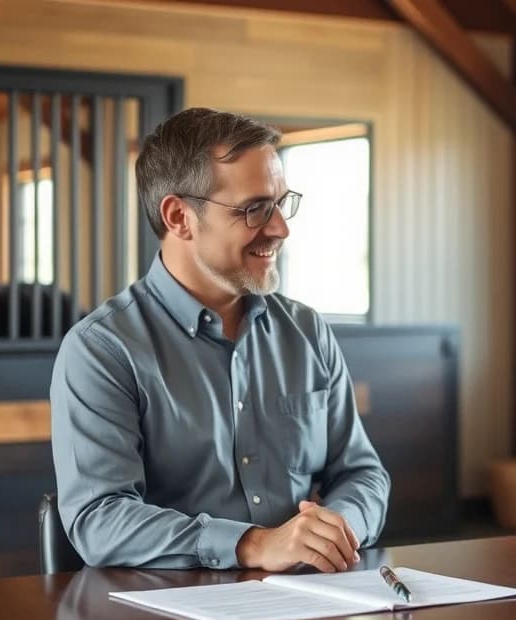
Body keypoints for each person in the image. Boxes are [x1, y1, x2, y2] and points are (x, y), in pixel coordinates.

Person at [51, 107, 390, 572]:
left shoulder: (308, 333)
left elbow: (362, 474)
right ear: (179, 217)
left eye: (281, 203)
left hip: (305, 606)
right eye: (255, 209)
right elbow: (98, 518)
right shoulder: (101, 350)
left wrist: (333, 530)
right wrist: (252, 545)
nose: (280, 228)